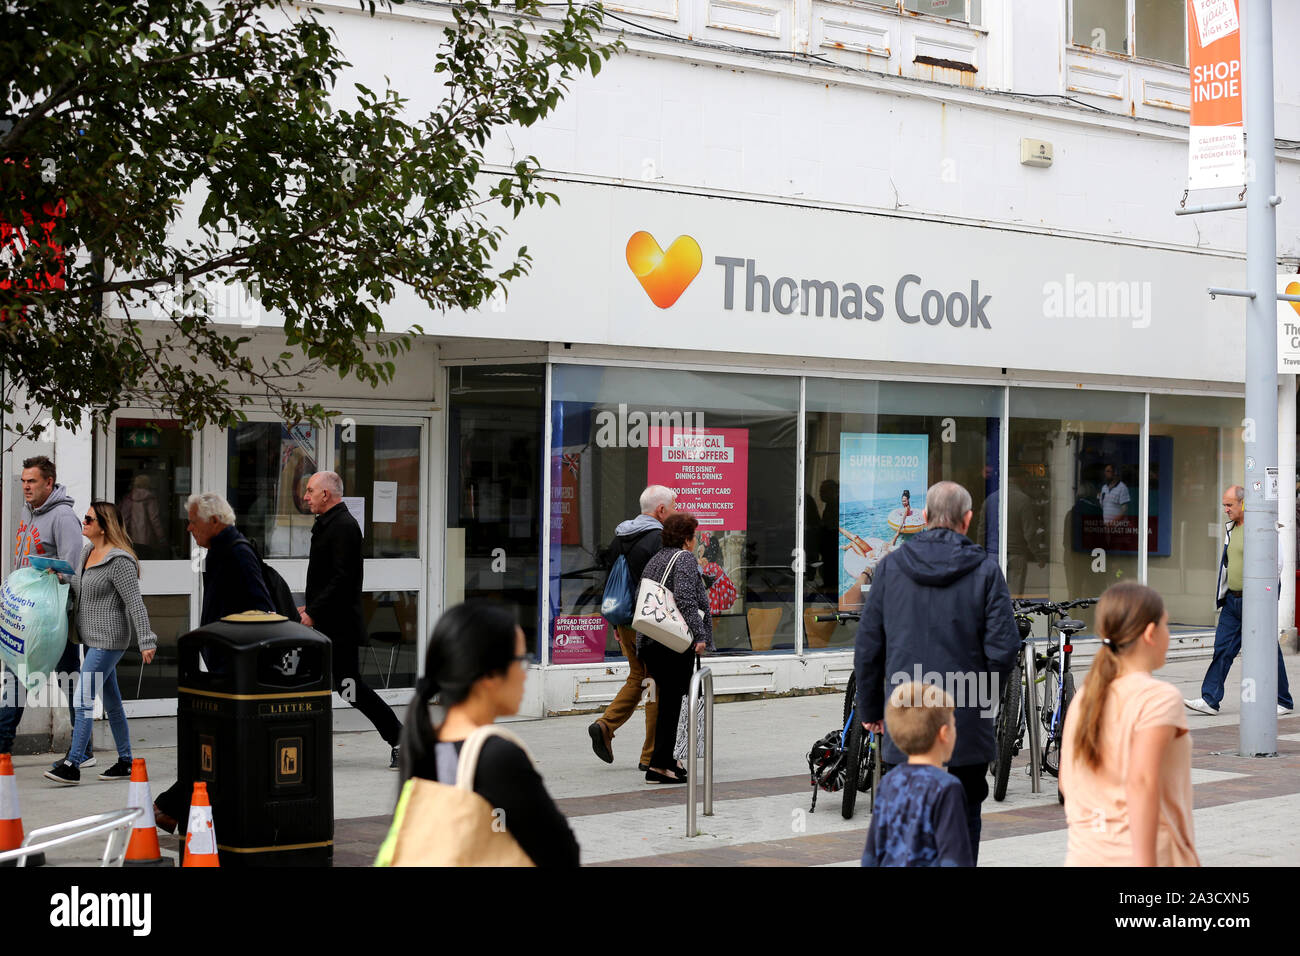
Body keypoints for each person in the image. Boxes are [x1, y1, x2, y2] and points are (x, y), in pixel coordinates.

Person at [853, 480, 1018, 861]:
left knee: (901, 828)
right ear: (969, 519)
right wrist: (978, 698)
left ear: (924, 517)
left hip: (905, 720)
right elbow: (1004, 649)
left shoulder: (890, 568)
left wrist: (873, 710)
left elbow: (868, 648)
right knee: (961, 828)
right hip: (962, 728)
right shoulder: (987, 571)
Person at [393, 601, 578, 866]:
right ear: (490, 675)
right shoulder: (496, 756)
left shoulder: (424, 742)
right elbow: (561, 854)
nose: (525, 674)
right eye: (520, 660)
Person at [152, 493, 277, 831]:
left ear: (214, 522)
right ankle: (171, 808)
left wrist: (235, 649)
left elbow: (261, 608)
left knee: (221, 746)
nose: (189, 527)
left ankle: (169, 807)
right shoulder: (220, 551)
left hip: (238, 667)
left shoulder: (236, 552)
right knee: (216, 745)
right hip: (224, 662)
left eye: (193, 521)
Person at [1060, 581, 1199, 866]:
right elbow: (1142, 782)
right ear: (1150, 633)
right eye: (1166, 625)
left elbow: (1066, 781)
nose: (1168, 635)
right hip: (1143, 855)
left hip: (1084, 854)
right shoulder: (1158, 697)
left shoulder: (1086, 697)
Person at [44, 502, 156, 784]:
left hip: (109, 640)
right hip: (89, 638)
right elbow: (79, 590)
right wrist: (58, 578)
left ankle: (73, 763)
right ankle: (126, 761)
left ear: (104, 527)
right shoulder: (86, 553)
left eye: (89, 519)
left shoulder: (119, 561)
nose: (84, 521)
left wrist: (146, 640)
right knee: (113, 702)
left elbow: (135, 604)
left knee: (82, 700)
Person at [298, 471, 403, 768]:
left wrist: (313, 612)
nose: (306, 497)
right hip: (324, 621)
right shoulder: (329, 524)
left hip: (336, 625)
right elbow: (329, 576)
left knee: (348, 686)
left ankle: (400, 739)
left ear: (325, 495)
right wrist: (311, 606)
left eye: (310, 491)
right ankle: (300, 745)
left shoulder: (343, 526)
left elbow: (344, 579)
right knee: (312, 684)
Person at [1, 455, 92, 762]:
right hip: (27, 616)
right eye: (24, 481)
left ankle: (84, 747)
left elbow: (73, 566)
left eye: (32, 482)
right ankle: (2, 744)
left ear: (49, 483)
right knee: (15, 676)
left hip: (55, 618)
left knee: (70, 678)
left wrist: (57, 573)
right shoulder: (29, 512)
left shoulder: (63, 517)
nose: (26, 487)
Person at [1185, 485, 1294, 716]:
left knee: (1267, 650)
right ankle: (1210, 700)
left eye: (1229, 505)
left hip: (1255, 601)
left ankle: (1283, 701)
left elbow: (1277, 563)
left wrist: (1264, 597)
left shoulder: (1262, 528)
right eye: (1224, 505)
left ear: (1243, 504)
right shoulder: (1232, 528)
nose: (1225, 509)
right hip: (1232, 601)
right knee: (1222, 648)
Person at [587, 485, 675, 769]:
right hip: (648, 624)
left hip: (624, 620)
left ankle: (606, 725)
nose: (674, 513)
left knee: (639, 676)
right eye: (672, 507)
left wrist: (617, 622)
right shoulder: (657, 539)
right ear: (661, 510)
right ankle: (651, 756)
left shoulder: (620, 537)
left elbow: (613, 582)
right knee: (653, 683)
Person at [637, 512, 713, 784]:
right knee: (672, 704)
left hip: (652, 641)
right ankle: (658, 767)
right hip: (672, 643)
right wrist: (699, 634)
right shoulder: (684, 559)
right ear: (687, 538)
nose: (696, 540)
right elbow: (684, 598)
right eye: (695, 535)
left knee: (669, 703)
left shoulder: (657, 558)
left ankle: (669, 761)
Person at [861, 682, 972, 867]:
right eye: (953, 724)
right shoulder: (947, 788)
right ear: (944, 733)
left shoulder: (888, 782)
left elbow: (872, 853)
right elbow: (955, 857)